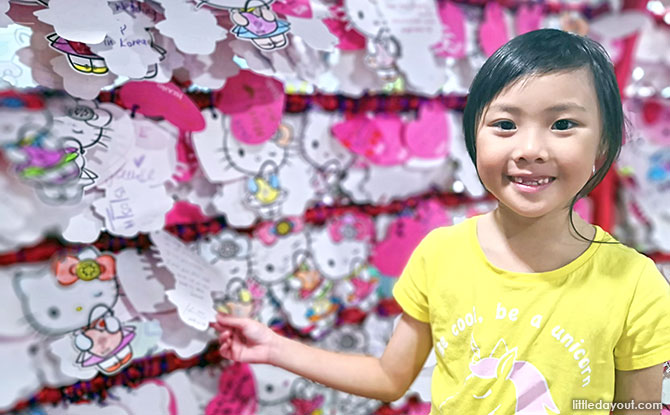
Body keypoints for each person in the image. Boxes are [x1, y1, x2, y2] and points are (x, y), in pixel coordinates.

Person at [213, 28, 670, 414]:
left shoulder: (635, 284)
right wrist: (275, 348)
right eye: (505, 125)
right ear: (473, 140)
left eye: (563, 124)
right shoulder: (441, 253)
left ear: (603, 149)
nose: (531, 149)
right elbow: (390, 377)